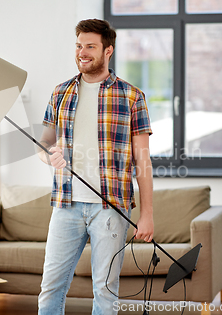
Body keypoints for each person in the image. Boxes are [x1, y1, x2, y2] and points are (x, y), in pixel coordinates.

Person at [37, 18, 154, 315]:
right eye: (79, 46)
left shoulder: (132, 97)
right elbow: (43, 145)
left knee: (104, 290)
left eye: (90, 46)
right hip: (66, 205)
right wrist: (50, 154)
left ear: (108, 51)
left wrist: (147, 215)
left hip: (110, 208)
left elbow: (143, 161)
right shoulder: (60, 92)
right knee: (51, 285)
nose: (82, 52)